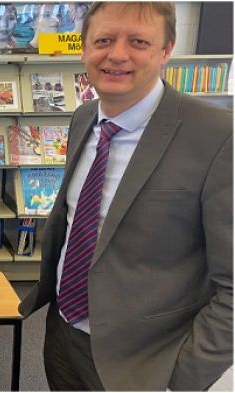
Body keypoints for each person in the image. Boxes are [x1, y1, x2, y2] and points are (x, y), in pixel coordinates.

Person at [19, 2, 232, 390]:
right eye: (103, 40)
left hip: (146, 362)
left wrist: (184, 377)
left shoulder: (219, 136)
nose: (117, 54)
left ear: (166, 51)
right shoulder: (83, 118)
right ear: (84, 50)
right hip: (62, 336)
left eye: (138, 41)